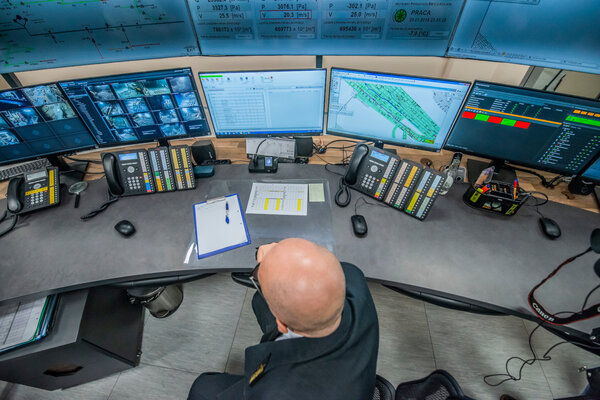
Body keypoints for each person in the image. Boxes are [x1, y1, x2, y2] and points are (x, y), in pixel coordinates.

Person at [188, 238, 379, 400]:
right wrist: (279, 256)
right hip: (345, 359)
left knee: (202, 388)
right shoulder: (354, 278)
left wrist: (270, 264)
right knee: (259, 302)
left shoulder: (276, 391)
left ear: (281, 324)